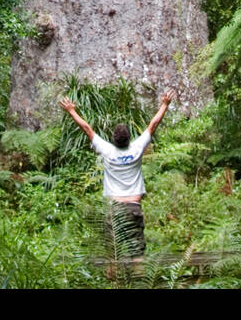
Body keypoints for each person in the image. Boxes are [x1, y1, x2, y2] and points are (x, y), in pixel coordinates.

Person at [58, 91, 173, 257]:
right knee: (137, 253)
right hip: (134, 206)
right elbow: (153, 125)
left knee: (112, 254)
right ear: (129, 138)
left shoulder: (107, 150)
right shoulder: (137, 148)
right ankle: (138, 281)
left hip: (115, 208)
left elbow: (87, 129)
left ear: (113, 139)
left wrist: (71, 111)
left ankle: (113, 281)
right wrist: (164, 104)